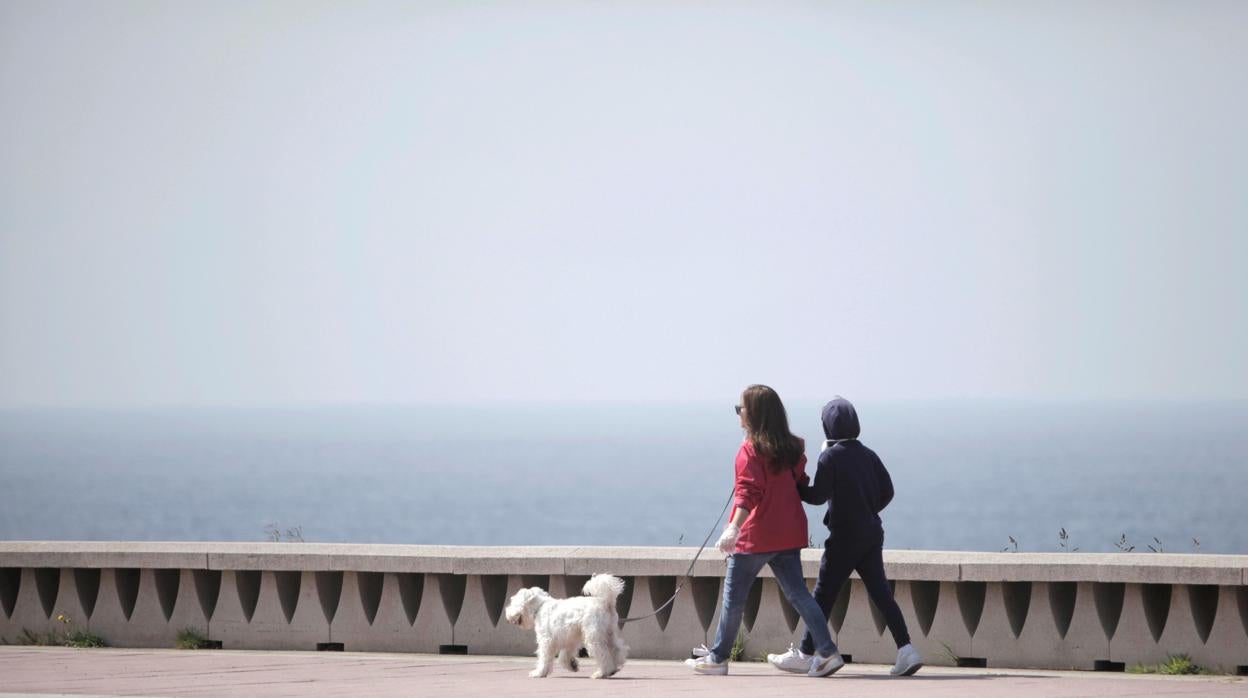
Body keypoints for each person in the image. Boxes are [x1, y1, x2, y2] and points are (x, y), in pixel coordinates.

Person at [686, 384, 844, 677]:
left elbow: (748, 493)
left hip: (754, 536)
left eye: (740, 409)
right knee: (799, 595)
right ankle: (828, 652)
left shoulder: (749, 451)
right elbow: (798, 481)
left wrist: (732, 528)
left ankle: (718, 658)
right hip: (788, 534)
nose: (738, 414)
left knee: (734, 600)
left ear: (754, 414)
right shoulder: (793, 448)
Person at [766, 396, 923, 677]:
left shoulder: (829, 456)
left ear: (827, 427)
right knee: (882, 594)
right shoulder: (868, 454)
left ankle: (805, 654)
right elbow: (888, 491)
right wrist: (867, 509)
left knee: (823, 595)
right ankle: (906, 649)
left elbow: (818, 496)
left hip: (843, 539)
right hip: (872, 534)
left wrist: (795, 484)